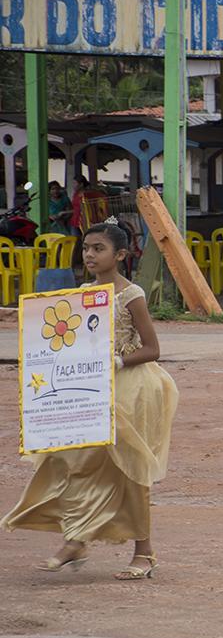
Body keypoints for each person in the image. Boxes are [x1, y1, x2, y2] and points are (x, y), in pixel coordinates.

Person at [2, 218, 178, 579]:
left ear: (121, 254)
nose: (90, 254)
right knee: (72, 461)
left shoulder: (132, 295)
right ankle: (76, 540)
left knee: (130, 470)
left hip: (131, 390)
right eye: (86, 248)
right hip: (88, 391)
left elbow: (152, 349)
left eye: (99, 248)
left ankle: (144, 553)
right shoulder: (83, 293)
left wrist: (116, 361)